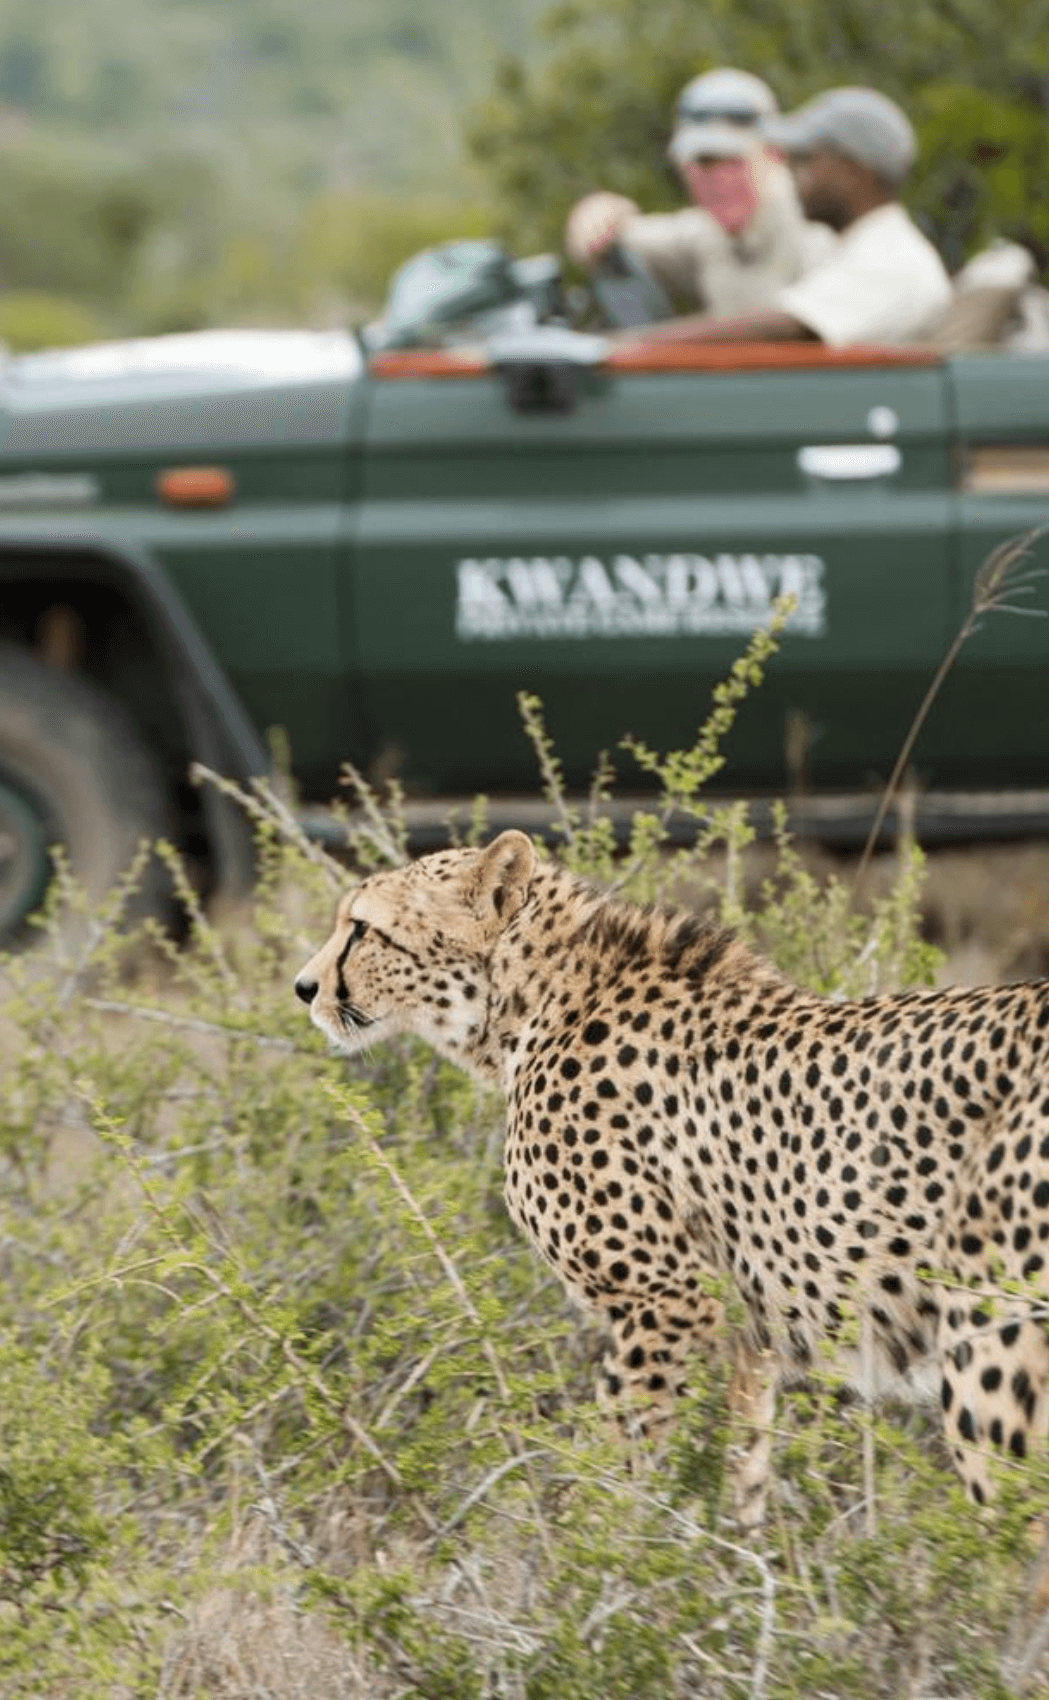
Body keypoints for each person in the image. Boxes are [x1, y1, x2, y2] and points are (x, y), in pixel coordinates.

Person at [628, 86, 952, 347]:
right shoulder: (856, 248)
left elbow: (783, 328)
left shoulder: (891, 259)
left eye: (804, 160)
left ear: (853, 172)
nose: (791, 172)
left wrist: (624, 347)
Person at [565, 68, 836, 319]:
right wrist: (600, 210)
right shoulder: (707, 235)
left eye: (732, 161)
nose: (716, 180)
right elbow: (608, 235)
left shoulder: (818, 235)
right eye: (700, 164)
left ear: (774, 155)